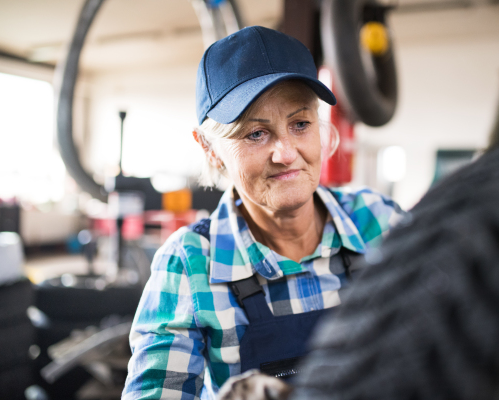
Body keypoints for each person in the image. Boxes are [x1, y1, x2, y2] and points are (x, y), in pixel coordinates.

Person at [122, 25, 406, 400]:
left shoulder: (380, 223)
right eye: (256, 133)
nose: (286, 153)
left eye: (300, 124)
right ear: (209, 148)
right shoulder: (190, 265)